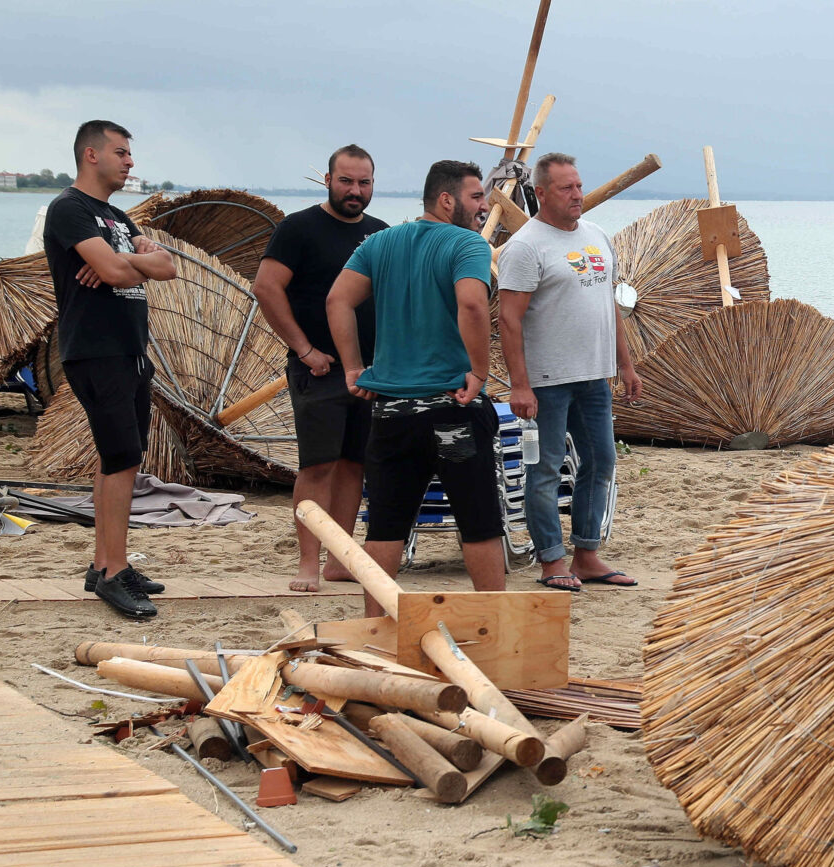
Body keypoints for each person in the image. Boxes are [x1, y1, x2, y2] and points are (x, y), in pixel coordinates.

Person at [324, 160, 503, 616]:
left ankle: (375, 627)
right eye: (477, 196)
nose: (485, 206)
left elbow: (337, 300)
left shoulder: (381, 242)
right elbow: (472, 303)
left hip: (390, 411)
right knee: (480, 522)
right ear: (447, 200)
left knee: (386, 525)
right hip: (452, 405)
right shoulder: (467, 244)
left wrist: (352, 368)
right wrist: (479, 372)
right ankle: (496, 621)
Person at [43, 120, 177, 619]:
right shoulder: (69, 209)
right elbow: (123, 270)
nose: (130, 162)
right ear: (91, 155)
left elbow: (168, 267)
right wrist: (131, 259)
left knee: (120, 456)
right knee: (121, 457)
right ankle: (116, 573)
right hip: (96, 350)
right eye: (121, 153)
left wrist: (127, 257)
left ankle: (103, 564)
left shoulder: (116, 216)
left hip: (130, 349)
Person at [497, 152, 640, 592]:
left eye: (578, 186)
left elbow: (609, 305)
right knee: (545, 469)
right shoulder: (526, 246)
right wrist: (519, 384)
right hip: (546, 382)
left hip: (594, 376)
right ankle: (551, 562)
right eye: (566, 188)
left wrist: (626, 364)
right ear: (541, 193)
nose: (577, 194)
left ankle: (587, 554)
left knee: (601, 461)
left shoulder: (596, 235)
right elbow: (509, 318)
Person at [252, 145, 388, 592]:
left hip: (370, 372)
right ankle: (308, 564)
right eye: (346, 181)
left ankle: (340, 559)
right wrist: (304, 349)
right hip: (319, 369)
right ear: (328, 180)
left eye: (363, 182)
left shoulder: (380, 234)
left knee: (355, 465)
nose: (355, 190)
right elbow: (267, 288)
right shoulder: (298, 228)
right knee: (318, 466)